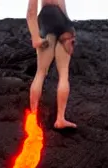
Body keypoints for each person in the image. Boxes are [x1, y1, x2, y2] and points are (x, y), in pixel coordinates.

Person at [26, 0, 77, 129]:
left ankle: (33, 114)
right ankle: (60, 119)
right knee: (64, 74)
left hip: (46, 20)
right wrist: (70, 34)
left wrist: (35, 38)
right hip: (64, 25)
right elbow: (63, 11)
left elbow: (31, 12)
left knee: (40, 73)